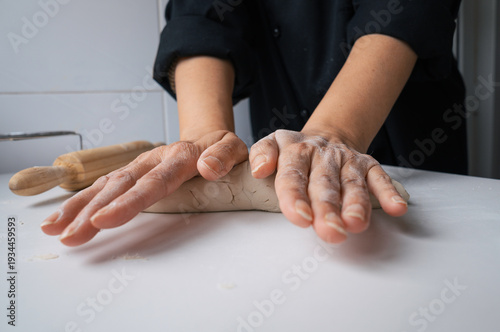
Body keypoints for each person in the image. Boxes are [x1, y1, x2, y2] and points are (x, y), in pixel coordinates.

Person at [41, 0, 467, 246]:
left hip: (408, 120)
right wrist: (202, 136)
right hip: (277, 126)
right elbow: (203, 12)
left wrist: (336, 131)